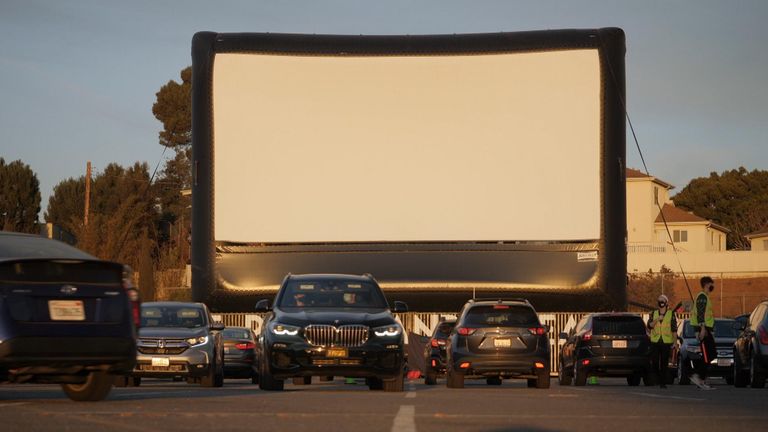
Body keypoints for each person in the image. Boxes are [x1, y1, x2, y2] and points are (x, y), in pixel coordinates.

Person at [689, 276, 717, 390]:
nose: (712, 287)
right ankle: (697, 376)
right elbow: (700, 313)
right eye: (711, 284)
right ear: (706, 285)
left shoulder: (705, 297)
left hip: (707, 329)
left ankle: (701, 379)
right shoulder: (702, 297)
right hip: (703, 329)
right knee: (707, 356)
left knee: (711, 354)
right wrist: (703, 328)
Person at [647, 294, 677, 388]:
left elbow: (674, 329)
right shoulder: (653, 313)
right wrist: (657, 319)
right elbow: (650, 326)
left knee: (664, 363)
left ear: (666, 302)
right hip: (655, 341)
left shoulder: (671, 314)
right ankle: (659, 378)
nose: (661, 302)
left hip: (666, 341)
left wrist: (675, 342)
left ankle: (662, 382)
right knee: (655, 362)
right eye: (659, 300)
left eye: (663, 300)